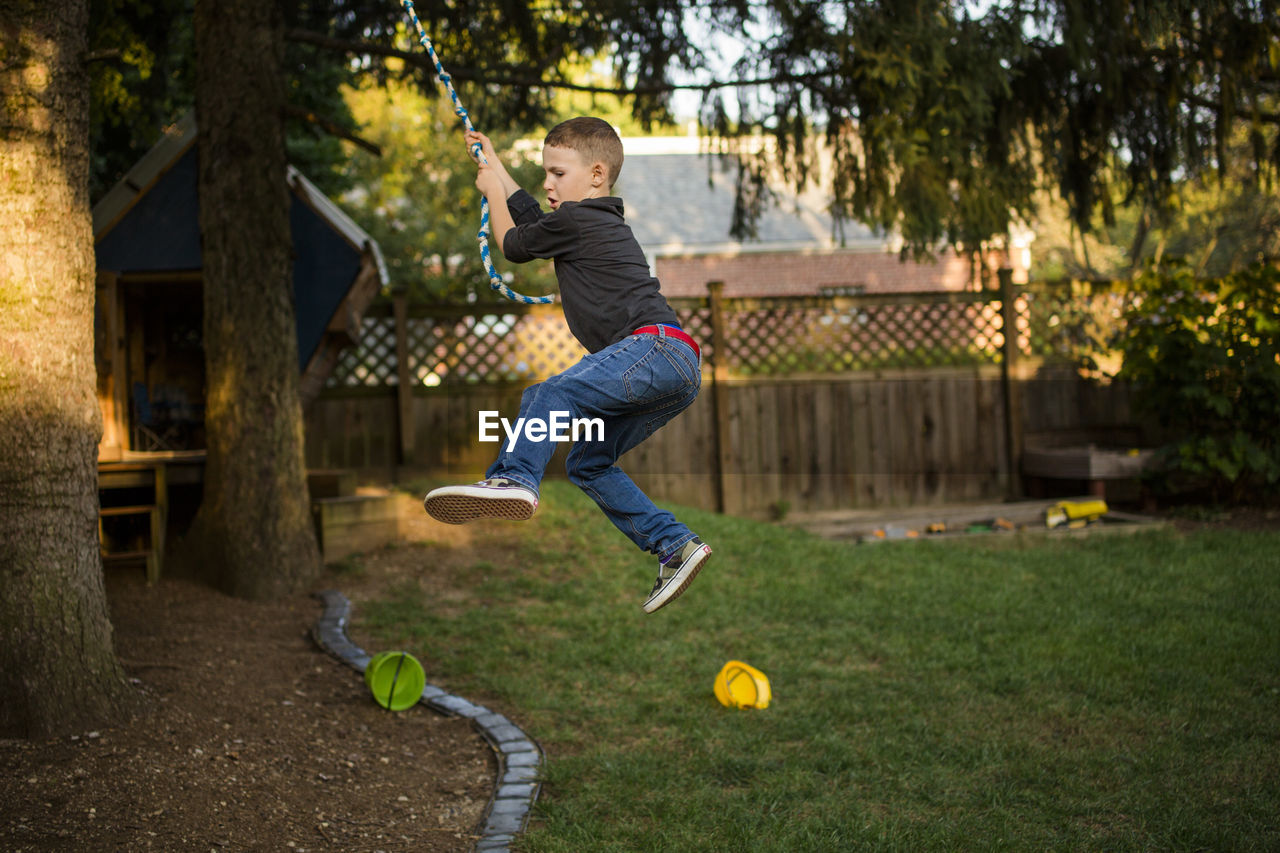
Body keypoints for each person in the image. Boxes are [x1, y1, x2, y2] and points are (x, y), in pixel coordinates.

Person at [423, 117, 710, 614]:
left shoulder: (580, 220)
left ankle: (514, 479)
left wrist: (491, 189)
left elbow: (515, 244)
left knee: (547, 395)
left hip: (654, 350)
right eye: (544, 174)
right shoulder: (586, 223)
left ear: (597, 174)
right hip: (675, 367)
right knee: (588, 462)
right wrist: (494, 166)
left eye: (557, 173)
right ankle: (674, 545)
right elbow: (532, 222)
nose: (548, 184)